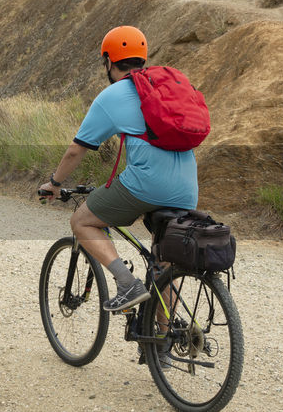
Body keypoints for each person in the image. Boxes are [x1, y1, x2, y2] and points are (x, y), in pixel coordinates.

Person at [37, 25, 199, 312]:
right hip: (187, 187)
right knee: (163, 266)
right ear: (142, 59)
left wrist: (55, 182)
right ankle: (162, 345)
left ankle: (127, 284)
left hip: (147, 184)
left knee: (82, 221)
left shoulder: (112, 96)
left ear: (109, 61)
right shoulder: (163, 88)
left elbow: (76, 150)